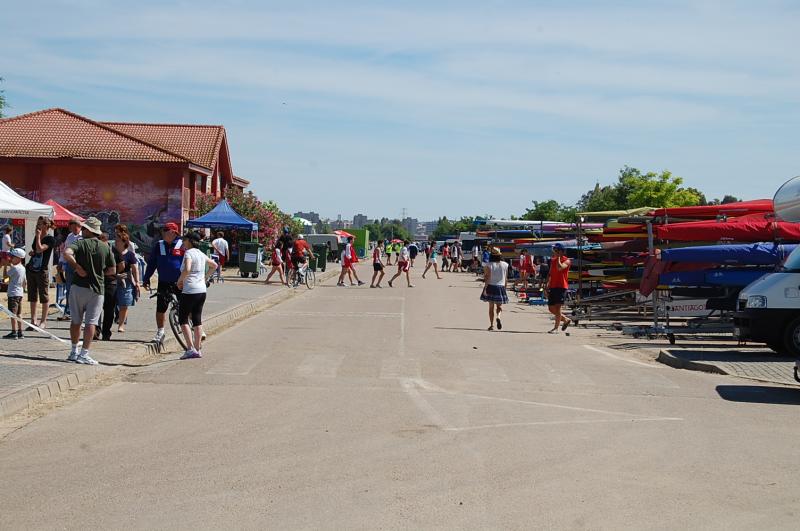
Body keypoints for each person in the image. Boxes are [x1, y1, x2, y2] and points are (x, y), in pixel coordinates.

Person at [62, 217, 116, 365]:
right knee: (91, 322)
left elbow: (67, 253)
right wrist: (98, 273)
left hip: (78, 286)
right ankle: (84, 353)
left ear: (87, 230)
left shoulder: (79, 243)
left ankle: (74, 351)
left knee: (76, 321)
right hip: (97, 288)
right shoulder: (105, 247)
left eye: (84, 228)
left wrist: (77, 267)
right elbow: (112, 269)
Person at [176, 231, 217, 359]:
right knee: (197, 320)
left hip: (190, 290)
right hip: (201, 290)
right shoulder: (200, 253)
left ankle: (190, 348)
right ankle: (198, 348)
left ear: (189, 241)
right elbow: (214, 265)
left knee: (183, 319)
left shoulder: (189, 253)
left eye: (184, 240)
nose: (182, 242)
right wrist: (205, 278)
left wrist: (180, 280)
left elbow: (187, 269)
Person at [142, 222, 184, 343]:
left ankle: (196, 326)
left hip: (180, 281)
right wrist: (146, 278)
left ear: (174, 232)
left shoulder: (182, 245)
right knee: (161, 307)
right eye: (163, 230)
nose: (163, 232)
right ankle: (160, 332)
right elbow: (152, 264)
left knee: (186, 305)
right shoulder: (159, 245)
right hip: (164, 281)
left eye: (166, 230)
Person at [26, 217, 56, 330]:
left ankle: (43, 321)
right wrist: (32, 253)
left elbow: (40, 249)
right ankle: (33, 320)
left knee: (44, 296)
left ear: (46, 225)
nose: (37, 226)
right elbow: (36, 251)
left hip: (42, 270)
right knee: (32, 295)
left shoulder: (50, 239)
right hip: (32, 268)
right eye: (37, 223)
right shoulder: (37, 237)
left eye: (40, 224)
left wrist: (38, 236)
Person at [113, 224, 140, 334]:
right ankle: (112, 320)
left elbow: (135, 269)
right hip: (113, 280)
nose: (115, 242)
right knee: (113, 303)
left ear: (124, 243)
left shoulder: (129, 255)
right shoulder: (112, 253)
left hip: (126, 281)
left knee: (124, 304)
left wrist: (137, 282)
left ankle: (121, 325)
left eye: (118, 241)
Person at [56, 219, 82, 321]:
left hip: (80, 264)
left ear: (77, 226)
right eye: (70, 227)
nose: (70, 228)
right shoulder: (70, 236)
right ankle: (68, 312)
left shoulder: (83, 236)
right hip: (70, 265)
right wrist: (61, 262)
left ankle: (79, 312)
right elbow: (65, 250)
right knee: (69, 289)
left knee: (80, 289)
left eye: (71, 226)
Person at [546, 243, 572, 333]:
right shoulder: (553, 260)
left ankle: (556, 328)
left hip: (561, 286)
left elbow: (560, 268)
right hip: (553, 286)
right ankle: (565, 319)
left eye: (556, 250)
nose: (554, 252)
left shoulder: (567, 260)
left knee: (557, 308)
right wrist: (547, 285)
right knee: (551, 308)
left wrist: (558, 258)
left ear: (561, 251)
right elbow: (550, 274)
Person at [481, 247, 509, 331]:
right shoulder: (505, 264)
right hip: (501, 287)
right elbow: (506, 278)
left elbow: (487, 278)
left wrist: (485, 289)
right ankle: (498, 317)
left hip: (491, 286)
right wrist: (505, 288)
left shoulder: (488, 265)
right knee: (499, 306)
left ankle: (491, 325)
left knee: (491, 308)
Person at [4, 248, 26, 339]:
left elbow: (5, 278)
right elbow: (25, 282)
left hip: (13, 293)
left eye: (13, 257)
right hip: (20, 293)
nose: (11, 258)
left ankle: (14, 332)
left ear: (18, 258)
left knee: (12, 314)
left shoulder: (15, 268)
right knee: (19, 313)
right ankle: (20, 331)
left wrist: (5, 266)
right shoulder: (23, 268)